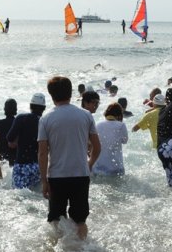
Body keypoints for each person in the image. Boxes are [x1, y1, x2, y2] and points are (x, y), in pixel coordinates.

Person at [38, 76, 100, 240]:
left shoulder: (46, 118)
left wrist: (44, 181)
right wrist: (90, 164)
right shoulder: (86, 115)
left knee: (56, 219)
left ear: (51, 95)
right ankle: (83, 250)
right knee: (80, 220)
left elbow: (43, 153)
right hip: (80, 174)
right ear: (70, 93)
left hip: (57, 176)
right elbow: (97, 146)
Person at [7, 93, 46, 189]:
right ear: (44, 108)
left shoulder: (21, 118)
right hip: (39, 167)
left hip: (22, 166)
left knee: (19, 197)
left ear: (30, 106)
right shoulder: (45, 121)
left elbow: (10, 138)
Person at [93, 103, 128, 176]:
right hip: (115, 168)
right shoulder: (121, 125)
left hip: (98, 167)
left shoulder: (98, 124)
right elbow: (125, 141)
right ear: (119, 114)